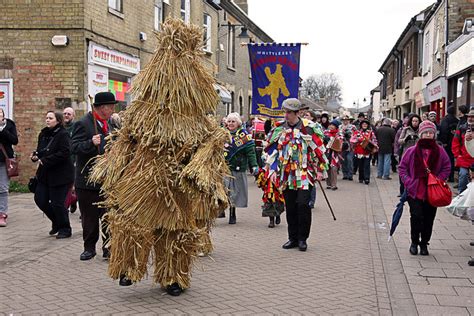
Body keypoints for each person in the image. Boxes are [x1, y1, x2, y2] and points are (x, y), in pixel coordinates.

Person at [264, 98, 328, 251]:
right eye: (285, 112)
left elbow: (320, 150)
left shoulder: (310, 128)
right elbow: (269, 149)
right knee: (291, 206)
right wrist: (270, 167)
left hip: (305, 173)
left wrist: (320, 169)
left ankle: (302, 238)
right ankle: (292, 237)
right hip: (286, 175)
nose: (286, 115)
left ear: (298, 113)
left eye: (289, 113)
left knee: (303, 205)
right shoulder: (279, 128)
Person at [71, 91, 116, 261]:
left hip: (106, 180)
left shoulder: (110, 124)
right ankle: (89, 248)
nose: (112, 110)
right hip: (88, 181)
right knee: (89, 217)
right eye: (110, 107)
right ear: (101, 108)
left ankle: (108, 248)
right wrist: (91, 143)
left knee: (108, 216)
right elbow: (74, 147)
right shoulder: (83, 124)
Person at [399, 120, 451, 256]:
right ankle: (414, 242)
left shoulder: (440, 151)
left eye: (431, 133)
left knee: (429, 218)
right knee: (416, 216)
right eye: (425, 132)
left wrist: (439, 179)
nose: (428, 135)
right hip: (415, 190)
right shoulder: (411, 151)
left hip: (432, 191)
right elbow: (402, 168)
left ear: (434, 135)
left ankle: (424, 243)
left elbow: (447, 167)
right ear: (420, 134)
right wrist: (408, 181)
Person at [32, 111, 74, 238]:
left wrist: (45, 160)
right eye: (46, 118)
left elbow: (65, 153)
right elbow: (41, 150)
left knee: (57, 203)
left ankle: (65, 228)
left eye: (50, 118)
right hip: (45, 174)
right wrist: (36, 156)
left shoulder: (63, 134)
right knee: (40, 199)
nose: (47, 120)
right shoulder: (43, 134)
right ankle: (56, 221)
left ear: (58, 120)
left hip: (60, 175)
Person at [224, 112, 259, 224]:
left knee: (234, 192)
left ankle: (232, 212)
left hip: (237, 167)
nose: (230, 123)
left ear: (238, 123)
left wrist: (254, 165)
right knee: (223, 189)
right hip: (223, 167)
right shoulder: (222, 134)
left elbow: (251, 152)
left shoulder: (244, 136)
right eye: (229, 121)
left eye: (233, 121)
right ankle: (221, 208)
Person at [0, 109, 18, 227]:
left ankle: (2, 214)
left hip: (4, 160)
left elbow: (14, 140)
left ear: (3, 115)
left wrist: (2, 130)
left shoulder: (10, 124)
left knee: (3, 188)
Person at [452, 109, 474, 194]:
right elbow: (455, 143)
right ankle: (461, 195)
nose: (471, 119)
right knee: (463, 176)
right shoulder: (461, 128)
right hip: (464, 159)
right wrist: (457, 155)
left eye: (473, 117)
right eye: (469, 117)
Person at [351, 120, 377, 185]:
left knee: (367, 165)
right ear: (361, 125)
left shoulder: (371, 133)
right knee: (361, 165)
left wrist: (373, 143)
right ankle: (361, 178)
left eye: (366, 124)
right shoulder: (357, 132)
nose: (364, 125)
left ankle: (367, 178)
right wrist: (357, 140)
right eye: (363, 124)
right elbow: (352, 140)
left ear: (368, 125)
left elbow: (375, 140)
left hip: (367, 151)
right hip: (359, 151)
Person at [63, 106, 78, 214]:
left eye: (69, 114)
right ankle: (67, 204)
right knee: (65, 184)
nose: (66, 115)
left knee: (74, 184)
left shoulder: (76, 128)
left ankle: (74, 199)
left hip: (73, 160)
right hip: (63, 161)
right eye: (65, 113)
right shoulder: (60, 127)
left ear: (73, 116)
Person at [438, 106, 459, 182]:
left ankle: (446, 176)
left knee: (445, 159)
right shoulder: (457, 120)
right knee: (452, 159)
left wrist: (444, 142)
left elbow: (444, 131)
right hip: (454, 142)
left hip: (447, 143)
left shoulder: (445, 120)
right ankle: (451, 177)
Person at [324, 120, 343, 190]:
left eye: (333, 125)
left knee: (334, 168)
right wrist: (324, 139)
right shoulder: (325, 132)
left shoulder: (339, 134)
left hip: (335, 154)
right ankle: (328, 183)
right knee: (327, 167)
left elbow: (341, 142)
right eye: (330, 125)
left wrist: (332, 139)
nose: (331, 126)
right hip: (326, 152)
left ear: (336, 127)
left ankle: (334, 184)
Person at [340, 115, 356, 181]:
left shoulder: (353, 127)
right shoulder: (340, 127)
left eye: (346, 120)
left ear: (349, 120)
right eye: (344, 120)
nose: (345, 121)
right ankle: (345, 174)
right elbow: (338, 134)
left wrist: (350, 135)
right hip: (343, 146)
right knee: (343, 160)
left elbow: (356, 134)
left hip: (350, 146)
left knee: (350, 160)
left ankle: (350, 174)